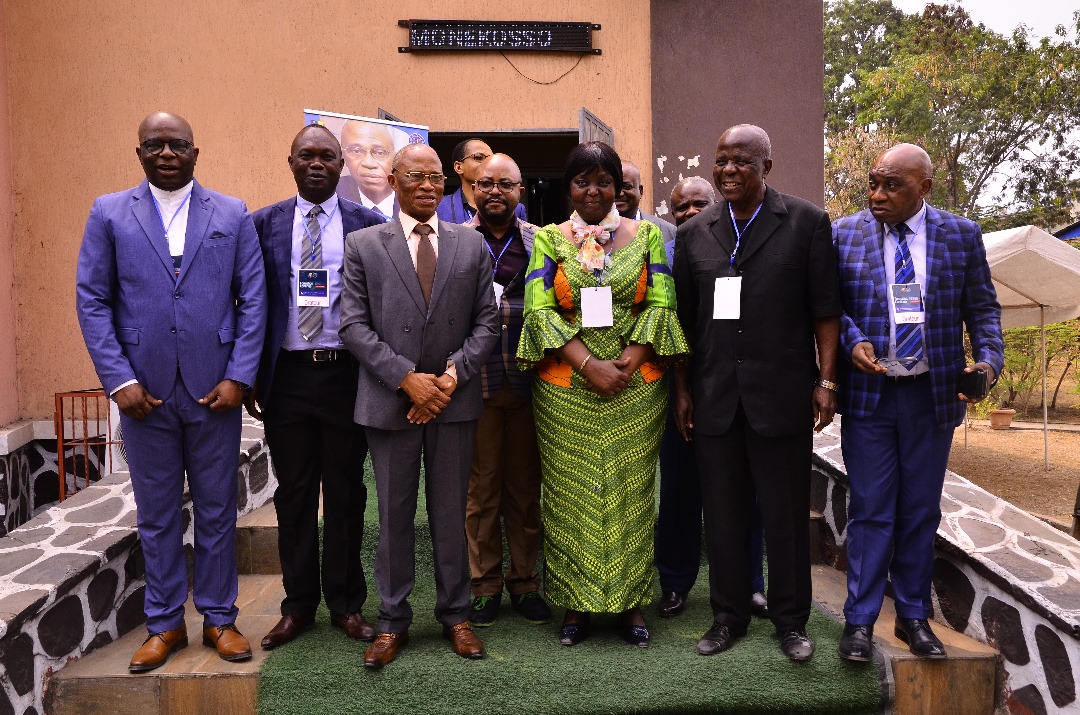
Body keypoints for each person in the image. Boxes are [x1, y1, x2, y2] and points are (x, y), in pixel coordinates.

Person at [75, 112, 266, 672]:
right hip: (144, 393)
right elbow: (93, 300)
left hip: (214, 391)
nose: (166, 152)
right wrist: (119, 381)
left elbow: (253, 299)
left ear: (195, 151)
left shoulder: (231, 212)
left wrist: (239, 375)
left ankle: (219, 618)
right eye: (154, 144)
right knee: (156, 515)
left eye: (176, 144)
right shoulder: (110, 212)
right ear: (138, 154)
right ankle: (163, 625)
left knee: (215, 509)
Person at [672, 124, 841, 661]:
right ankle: (728, 616)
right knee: (721, 512)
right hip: (716, 395)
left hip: (782, 395)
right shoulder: (695, 233)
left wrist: (826, 380)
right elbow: (685, 323)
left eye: (742, 161)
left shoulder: (807, 223)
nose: (728, 170)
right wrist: (682, 389)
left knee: (785, 512)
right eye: (721, 160)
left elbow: (825, 312)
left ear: (767, 166)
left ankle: (792, 622)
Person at [833, 143, 1003, 662]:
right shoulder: (843, 234)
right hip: (871, 397)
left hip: (932, 397)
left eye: (893, 186)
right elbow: (827, 305)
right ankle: (859, 622)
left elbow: (984, 310)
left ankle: (912, 616)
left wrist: (988, 366)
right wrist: (851, 337)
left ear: (924, 188)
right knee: (870, 510)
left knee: (919, 511)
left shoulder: (962, 236)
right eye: (873, 183)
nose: (878, 195)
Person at [517, 141, 688, 649]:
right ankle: (576, 604)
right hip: (565, 389)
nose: (593, 191)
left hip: (636, 389)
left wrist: (625, 366)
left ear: (619, 186)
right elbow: (539, 309)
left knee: (631, 496)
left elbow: (660, 301)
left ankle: (631, 603)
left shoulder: (649, 236)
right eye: (581, 181)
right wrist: (590, 367)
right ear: (568, 188)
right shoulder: (549, 239)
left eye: (603, 181)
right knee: (570, 497)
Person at [338, 144, 499, 668]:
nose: (428, 185)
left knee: (451, 514)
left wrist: (449, 378)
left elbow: (487, 323)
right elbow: (352, 326)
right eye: (415, 175)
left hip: (454, 401)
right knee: (394, 515)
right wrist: (407, 380)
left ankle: (457, 616)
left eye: (436, 177)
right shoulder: (364, 244)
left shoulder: (470, 245)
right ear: (393, 179)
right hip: (391, 403)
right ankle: (392, 621)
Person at [247, 125, 387, 650]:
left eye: (327, 156)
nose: (316, 164)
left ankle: (347, 605)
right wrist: (250, 376)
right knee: (296, 494)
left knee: (347, 491)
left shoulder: (368, 225)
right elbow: (248, 304)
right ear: (290, 162)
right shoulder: (261, 225)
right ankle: (297, 606)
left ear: (341, 165)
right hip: (287, 378)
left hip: (346, 376)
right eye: (306, 156)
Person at [654, 177, 768, 620]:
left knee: (745, 494)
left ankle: (752, 584)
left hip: (738, 390)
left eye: (698, 203)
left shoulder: (737, 244)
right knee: (680, 492)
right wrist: (681, 387)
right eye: (680, 207)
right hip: (682, 388)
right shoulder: (665, 255)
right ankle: (676, 584)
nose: (689, 213)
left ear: (715, 203)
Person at [462, 154, 551, 627]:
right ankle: (484, 586)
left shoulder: (542, 242)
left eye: (506, 184)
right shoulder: (456, 241)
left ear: (521, 190)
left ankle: (525, 583)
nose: (495, 191)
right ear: (472, 189)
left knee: (524, 490)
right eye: (485, 183)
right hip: (474, 386)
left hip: (529, 382)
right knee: (481, 493)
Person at [436, 138, 526, 223]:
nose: (486, 163)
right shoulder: (439, 207)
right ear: (459, 167)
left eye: (490, 158)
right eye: (479, 157)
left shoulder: (516, 209)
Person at [337, 120, 397, 218]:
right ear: (343, 157)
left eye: (380, 153)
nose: (369, 163)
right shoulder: (333, 194)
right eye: (356, 151)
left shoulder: (414, 197)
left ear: (395, 157)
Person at [616, 160, 677, 246]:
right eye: (614, 187)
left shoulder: (667, 232)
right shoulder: (592, 232)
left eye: (626, 187)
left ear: (640, 191)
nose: (619, 193)